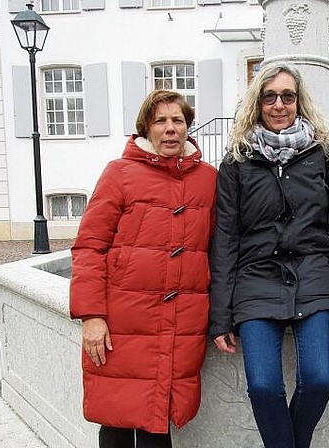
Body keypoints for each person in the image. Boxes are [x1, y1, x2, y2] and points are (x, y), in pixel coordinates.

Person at [208, 62, 329, 448]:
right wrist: (220, 315)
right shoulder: (237, 161)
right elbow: (224, 239)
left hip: (315, 276)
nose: (278, 105)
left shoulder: (323, 154)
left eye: (287, 96)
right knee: (263, 385)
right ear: (257, 102)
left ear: (299, 102)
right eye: (269, 96)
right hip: (255, 281)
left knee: (320, 379)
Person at [69, 90, 217, 448]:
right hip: (122, 323)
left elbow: (219, 249)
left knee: (158, 424)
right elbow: (89, 246)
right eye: (160, 121)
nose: (170, 129)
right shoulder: (119, 174)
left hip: (179, 323)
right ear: (146, 129)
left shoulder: (209, 179)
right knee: (116, 420)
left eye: (177, 121)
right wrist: (91, 315)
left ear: (188, 128)